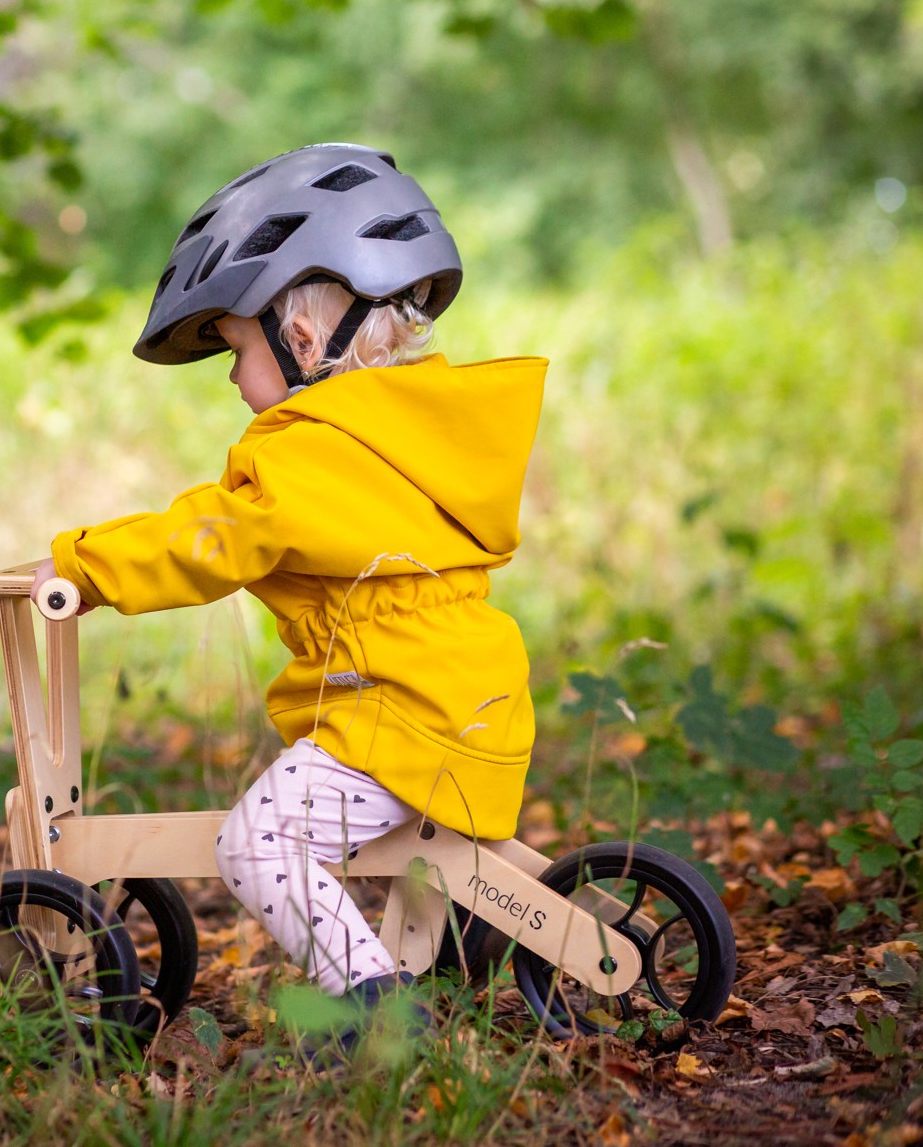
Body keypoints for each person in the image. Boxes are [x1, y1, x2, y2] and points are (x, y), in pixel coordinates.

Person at [31, 143, 547, 1047]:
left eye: (235, 350)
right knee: (402, 850)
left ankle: (373, 1011)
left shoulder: (307, 452)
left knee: (256, 842)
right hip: (472, 691)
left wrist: (81, 565)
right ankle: (431, 961)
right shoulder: (415, 431)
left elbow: (207, 540)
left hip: (401, 706)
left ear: (300, 340)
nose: (234, 381)